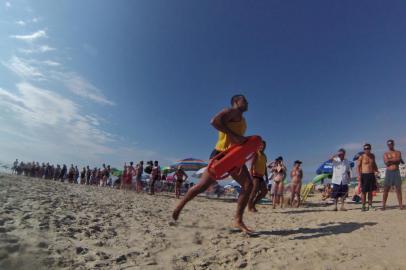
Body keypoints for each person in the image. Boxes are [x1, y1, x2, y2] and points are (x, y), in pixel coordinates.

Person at [172, 94, 254, 233]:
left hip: (234, 156)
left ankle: (238, 220)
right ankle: (180, 205)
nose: (247, 103)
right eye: (244, 101)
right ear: (236, 101)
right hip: (220, 155)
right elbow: (214, 121)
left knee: (248, 184)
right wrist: (235, 136)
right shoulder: (230, 111)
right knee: (202, 186)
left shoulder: (243, 119)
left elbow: (237, 138)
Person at [357, 143, 379, 211]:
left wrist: (377, 170)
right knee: (364, 192)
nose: (366, 150)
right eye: (365, 149)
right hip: (364, 175)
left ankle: (370, 205)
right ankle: (363, 206)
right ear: (364, 149)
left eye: (368, 148)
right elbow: (358, 166)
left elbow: (374, 164)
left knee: (370, 191)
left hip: (371, 174)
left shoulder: (372, 156)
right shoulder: (362, 156)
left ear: (370, 149)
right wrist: (359, 175)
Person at [382, 139, 404, 210]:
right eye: (388, 144)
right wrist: (395, 160)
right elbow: (386, 162)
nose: (390, 145)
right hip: (389, 172)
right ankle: (383, 205)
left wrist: (390, 160)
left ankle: (401, 205)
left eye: (391, 144)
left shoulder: (398, 152)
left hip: (396, 172)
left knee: (398, 189)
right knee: (386, 189)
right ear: (387, 145)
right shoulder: (385, 153)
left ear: (393, 144)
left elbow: (399, 160)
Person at [248, 140, 268, 212]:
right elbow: (251, 165)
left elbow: (264, 167)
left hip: (261, 176)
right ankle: (250, 207)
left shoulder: (264, 156)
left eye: (264, 146)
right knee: (254, 191)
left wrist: (266, 176)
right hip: (255, 175)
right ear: (258, 146)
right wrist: (251, 176)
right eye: (261, 145)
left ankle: (253, 204)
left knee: (264, 191)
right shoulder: (256, 153)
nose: (262, 147)